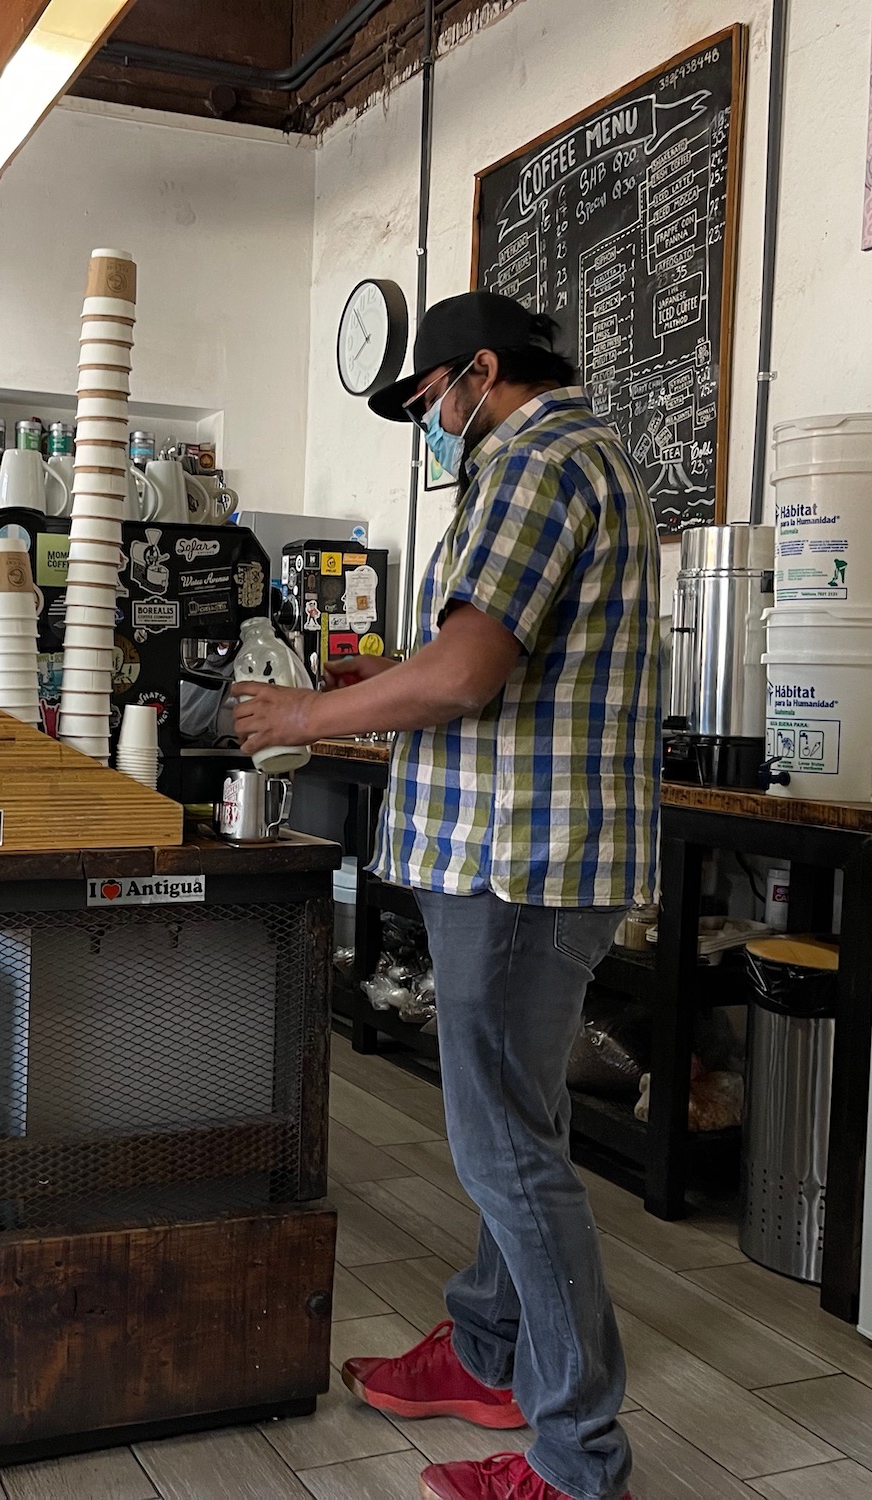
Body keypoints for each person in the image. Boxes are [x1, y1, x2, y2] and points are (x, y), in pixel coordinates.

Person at [231, 290, 661, 1500]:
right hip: (536, 855)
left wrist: (307, 714)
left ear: (479, 372)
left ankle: (579, 1466)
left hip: (516, 862)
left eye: (426, 401)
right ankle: (487, 1350)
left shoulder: (530, 464)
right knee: (516, 1129)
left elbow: (467, 674)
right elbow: (484, 662)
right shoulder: (589, 456)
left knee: (504, 1152)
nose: (430, 425)